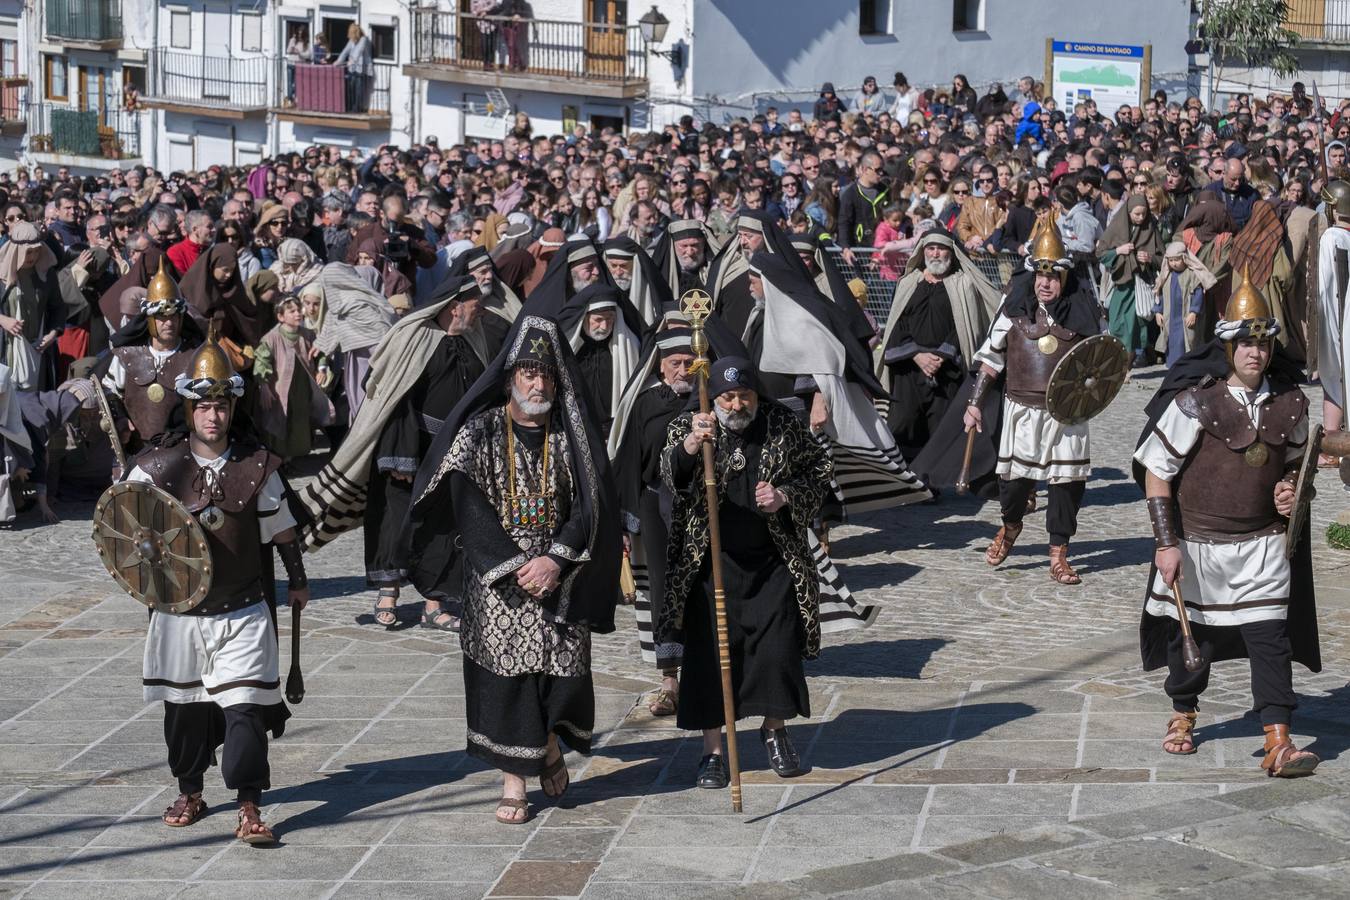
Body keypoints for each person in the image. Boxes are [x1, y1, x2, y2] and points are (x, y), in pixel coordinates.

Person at [407, 315, 620, 824]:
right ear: (510, 378)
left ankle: (547, 744)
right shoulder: (479, 431)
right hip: (497, 576)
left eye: (545, 374)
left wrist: (555, 559)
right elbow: (466, 502)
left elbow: (590, 506)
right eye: (527, 373)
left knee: (558, 677)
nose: (537, 384)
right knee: (507, 681)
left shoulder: (571, 437)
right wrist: (513, 566)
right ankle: (513, 781)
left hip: (560, 572)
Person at [122, 328, 308, 845]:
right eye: (204, 405)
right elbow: (123, 526)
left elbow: (282, 528)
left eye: (221, 405)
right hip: (178, 614)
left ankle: (249, 805)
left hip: (243, 610)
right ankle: (191, 788)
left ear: (232, 408)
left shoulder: (256, 467)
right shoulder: (154, 468)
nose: (213, 415)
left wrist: (297, 579)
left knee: (245, 710)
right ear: (188, 408)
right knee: (184, 714)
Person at [1133, 272, 1320, 777]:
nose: (1255, 353)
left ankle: (1278, 740)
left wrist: (1289, 491)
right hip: (1197, 545)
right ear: (1228, 346)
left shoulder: (1290, 405)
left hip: (1262, 545)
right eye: (1245, 343)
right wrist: (1165, 544)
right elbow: (1157, 473)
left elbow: (1295, 469)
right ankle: (1183, 714)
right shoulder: (1195, 403)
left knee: (1270, 638)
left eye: (1262, 343)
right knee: (1195, 640)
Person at [659, 357, 832, 788]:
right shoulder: (693, 424)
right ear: (714, 398)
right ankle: (713, 751)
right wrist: (693, 447)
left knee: (776, 650)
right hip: (711, 562)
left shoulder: (781, 422)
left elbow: (820, 468)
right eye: (728, 397)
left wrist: (784, 495)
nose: (738, 405)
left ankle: (775, 730)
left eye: (745, 395)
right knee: (711, 658)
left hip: (772, 560)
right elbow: (668, 472)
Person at [964, 216, 1102, 585]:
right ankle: (1010, 526)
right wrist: (975, 403)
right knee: (1013, 487)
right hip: (1021, 410)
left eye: (1054, 275)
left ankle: (1059, 553)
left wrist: (1089, 391)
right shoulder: (1013, 309)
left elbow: (1100, 364)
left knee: (1066, 486)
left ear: (1065, 277)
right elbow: (991, 358)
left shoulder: (1084, 313)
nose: (1046, 282)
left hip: (1068, 414)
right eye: (1041, 274)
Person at [607, 319, 695, 713]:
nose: (682, 370)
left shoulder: (710, 401)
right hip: (656, 509)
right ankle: (670, 681)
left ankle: (712, 672)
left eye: (689, 361)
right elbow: (627, 465)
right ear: (660, 365)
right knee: (664, 590)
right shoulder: (645, 404)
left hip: (701, 509)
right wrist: (626, 524)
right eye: (675, 362)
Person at [878, 228, 1001, 460]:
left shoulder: (963, 284)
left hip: (947, 371)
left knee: (940, 427)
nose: (936, 254)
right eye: (931, 248)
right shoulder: (908, 283)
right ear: (923, 252)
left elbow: (965, 328)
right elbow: (897, 324)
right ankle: (909, 479)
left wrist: (941, 356)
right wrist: (917, 355)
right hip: (909, 370)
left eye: (941, 248)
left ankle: (931, 484)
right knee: (904, 424)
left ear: (951, 253)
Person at [103, 261, 201, 456]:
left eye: (173, 316)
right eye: (161, 317)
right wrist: (120, 419)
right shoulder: (128, 355)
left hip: (183, 453)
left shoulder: (196, 357)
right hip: (136, 451)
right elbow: (109, 392)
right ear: (149, 319)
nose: (168, 323)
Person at [252, 295, 334, 460]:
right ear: (281, 317)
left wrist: (322, 369)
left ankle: (297, 455)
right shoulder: (272, 338)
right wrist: (264, 386)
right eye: (292, 311)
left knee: (300, 420)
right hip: (280, 389)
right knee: (280, 420)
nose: (298, 314)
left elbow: (321, 354)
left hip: (302, 386)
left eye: (299, 310)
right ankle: (280, 458)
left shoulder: (308, 335)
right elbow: (261, 362)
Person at [312, 262, 396, 423]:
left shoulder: (359, 305)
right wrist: (322, 344)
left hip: (375, 366)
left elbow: (380, 342)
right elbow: (335, 321)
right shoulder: (344, 304)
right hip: (357, 362)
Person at [1096, 194, 1164, 366]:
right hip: (1120, 285)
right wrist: (1119, 250)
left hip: (1141, 285)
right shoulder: (1117, 227)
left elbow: (1163, 258)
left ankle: (1126, 365)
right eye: (1136, 214)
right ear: (1128, 212)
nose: (1140, 218)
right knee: (1117, 321)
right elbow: (1101, 253)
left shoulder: (1151, 228)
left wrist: (1149, 258)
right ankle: (1121, 360)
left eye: (1143, 214)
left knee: (1136, 325)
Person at [0, 221, 64, 391]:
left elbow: (57, 307)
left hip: (39, 349)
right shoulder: (2, 275)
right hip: (6, 350)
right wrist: (3, 320)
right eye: (29, 252)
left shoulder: (46, 273)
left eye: (37, 251)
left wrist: (53, 333)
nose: (33, 257)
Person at [1316, 181, 1350, 438]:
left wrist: (1322, 328)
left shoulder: (1331, 237)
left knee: (1334, 374)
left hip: (1338, 318)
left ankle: (1332, 439)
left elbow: (1325, 285)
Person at [1152, 241, 1217, 367]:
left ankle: (1188, 366)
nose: (1173, 263)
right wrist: (1158, 311)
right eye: (1170, 260)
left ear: (1184, 258)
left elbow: (1198, 294)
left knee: (1187, 341)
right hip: (1170, 317)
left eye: (1177, 260)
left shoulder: (1191, 275)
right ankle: (1173, 367)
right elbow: (1159, 294)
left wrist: (1194, 311)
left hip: (1185, 317)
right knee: (1171, 341)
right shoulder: (1166, 276)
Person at [650, 219, 721, 301]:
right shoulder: (660, 274)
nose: (690, 252)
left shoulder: (717, 272)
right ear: (673, 246)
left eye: (694, 245)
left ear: (704, 245)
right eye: (684, 246)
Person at [333, 23, 374, 114]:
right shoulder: (352, 41)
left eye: (351, 33)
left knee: (358, 89)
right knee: (351, 88)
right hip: (352, 68)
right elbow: (345, 51)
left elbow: (359, 51)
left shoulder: (364, 39)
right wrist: (338, 62)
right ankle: (350, 107)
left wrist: (352, 61)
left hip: (361, 69)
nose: (350, 36)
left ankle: (356, 109)